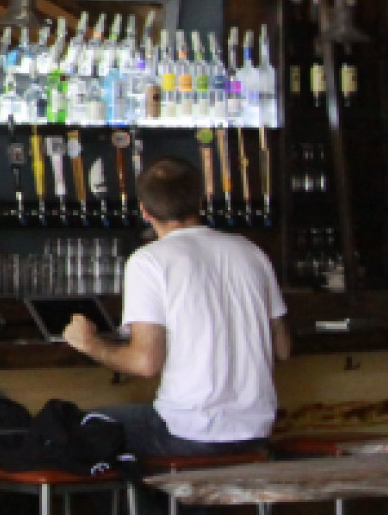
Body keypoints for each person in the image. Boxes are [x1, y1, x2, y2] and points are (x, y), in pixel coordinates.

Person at [63, 157, 289, 467]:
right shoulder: (251, 252)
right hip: (256, 431)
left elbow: (145, 363)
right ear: (200, 200)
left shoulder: (149, 261)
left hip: (189, 433)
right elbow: (283, 348)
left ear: (143, 210)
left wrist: (89, 343)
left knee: (81, 428)